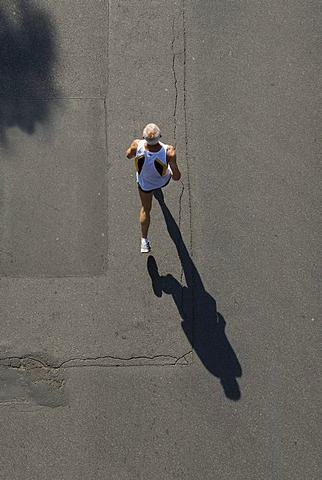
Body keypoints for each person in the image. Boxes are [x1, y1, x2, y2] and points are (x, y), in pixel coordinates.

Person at [126, 123, 181, 252]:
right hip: (161, 181)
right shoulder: (169, 151)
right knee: (158, 189)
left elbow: (128, 155)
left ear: (144, 138)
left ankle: (144, 240)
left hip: (144, 184)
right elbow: (176, 176)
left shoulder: (136, 145)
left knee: (145, 209)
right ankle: (158, 193)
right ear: (160, 136)